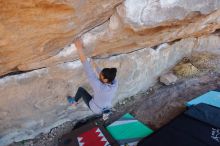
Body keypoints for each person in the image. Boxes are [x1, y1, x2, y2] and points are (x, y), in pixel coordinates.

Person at [67, 38, 118, 114]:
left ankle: (74, 102)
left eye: (100, 75)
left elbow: (86, 65)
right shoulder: (115, 82)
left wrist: (79, 47)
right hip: (106, 106)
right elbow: (103, 75)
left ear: (105, 80)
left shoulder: (99, 86)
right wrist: (95, 66)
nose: (99, 74)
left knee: (81, 90)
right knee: (98, 93)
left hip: (96, 109)